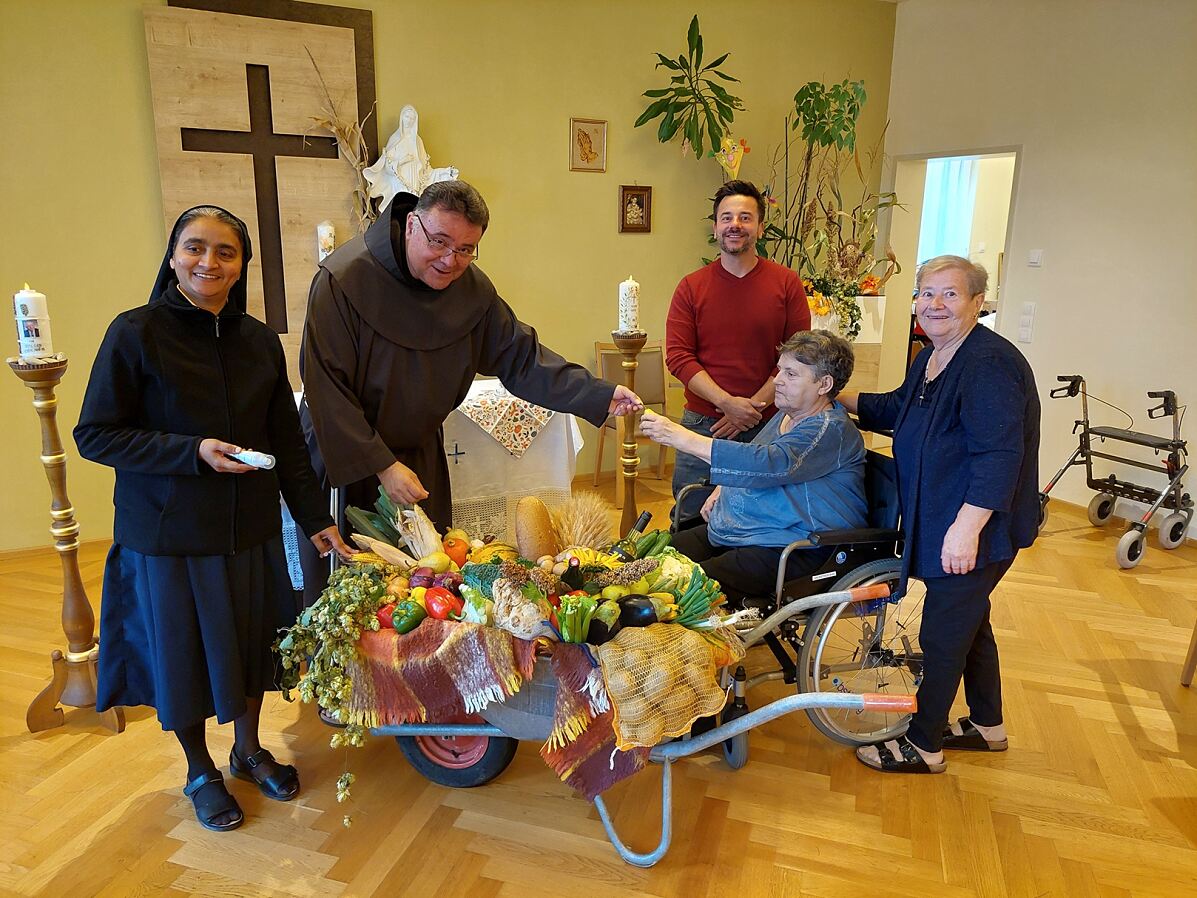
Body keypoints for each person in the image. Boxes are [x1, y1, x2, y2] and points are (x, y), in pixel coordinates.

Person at [74, 206, 353, 833]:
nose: (208, 262)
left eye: (225, 252)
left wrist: (314, 519)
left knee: (254, 646)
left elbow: (286, 438)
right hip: (169, 535)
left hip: (248, 531)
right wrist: (190, 452)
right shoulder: (135, 333)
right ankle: (199, 767)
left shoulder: (257, 341)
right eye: (195, 248)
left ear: (242, 265)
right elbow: (96, 435)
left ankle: (248, 749)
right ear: (173, 256)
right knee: (186, 658)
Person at [299, 180, 640, 591]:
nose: (451, 260)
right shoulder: (344, 279)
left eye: (466, 249)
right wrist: (382, 466)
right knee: (349, 596)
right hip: (347, 456)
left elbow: (524, 358)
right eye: (439, 241)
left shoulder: (472, 291)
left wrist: (600, 394)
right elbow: (325, 388)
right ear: (411, 225)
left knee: (426, 585)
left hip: (418, 457)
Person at [838, 255, 1040, 775]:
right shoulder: (932, 357)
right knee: (970, 623)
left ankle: (923, 745)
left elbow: (1000, 456)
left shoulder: (987, 364)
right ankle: (987, 725)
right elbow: (893, 408)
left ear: (978, 303)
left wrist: (965, 530)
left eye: (949, 294)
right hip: (948, 521)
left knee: (944, 634)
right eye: (925, 293)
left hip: (975, 528)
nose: (934, 304)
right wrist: (827, 393)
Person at [640, 330, 866, 604]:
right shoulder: (786, 414)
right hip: (740, 529)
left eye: (791, 374)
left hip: (793, 546)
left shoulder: (830, 430)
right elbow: (755, 453)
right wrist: (723, 487)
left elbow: (770, 463)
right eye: (780, 370)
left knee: (675, 589)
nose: (778, 381)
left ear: (824, 384)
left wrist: (682, 438)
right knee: (646, 561)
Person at [665, 179, 810, 523]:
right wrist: (727, 404)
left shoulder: (787, 283)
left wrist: (754, 408)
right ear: (715, 227)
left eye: (745, 217)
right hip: (704, 425)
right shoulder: (691, 287)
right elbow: (679, 357)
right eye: (726, 217)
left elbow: (799, 354)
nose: (735, 225)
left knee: (756, 521)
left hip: (772, 426)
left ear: (760, 227)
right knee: (690, 518)